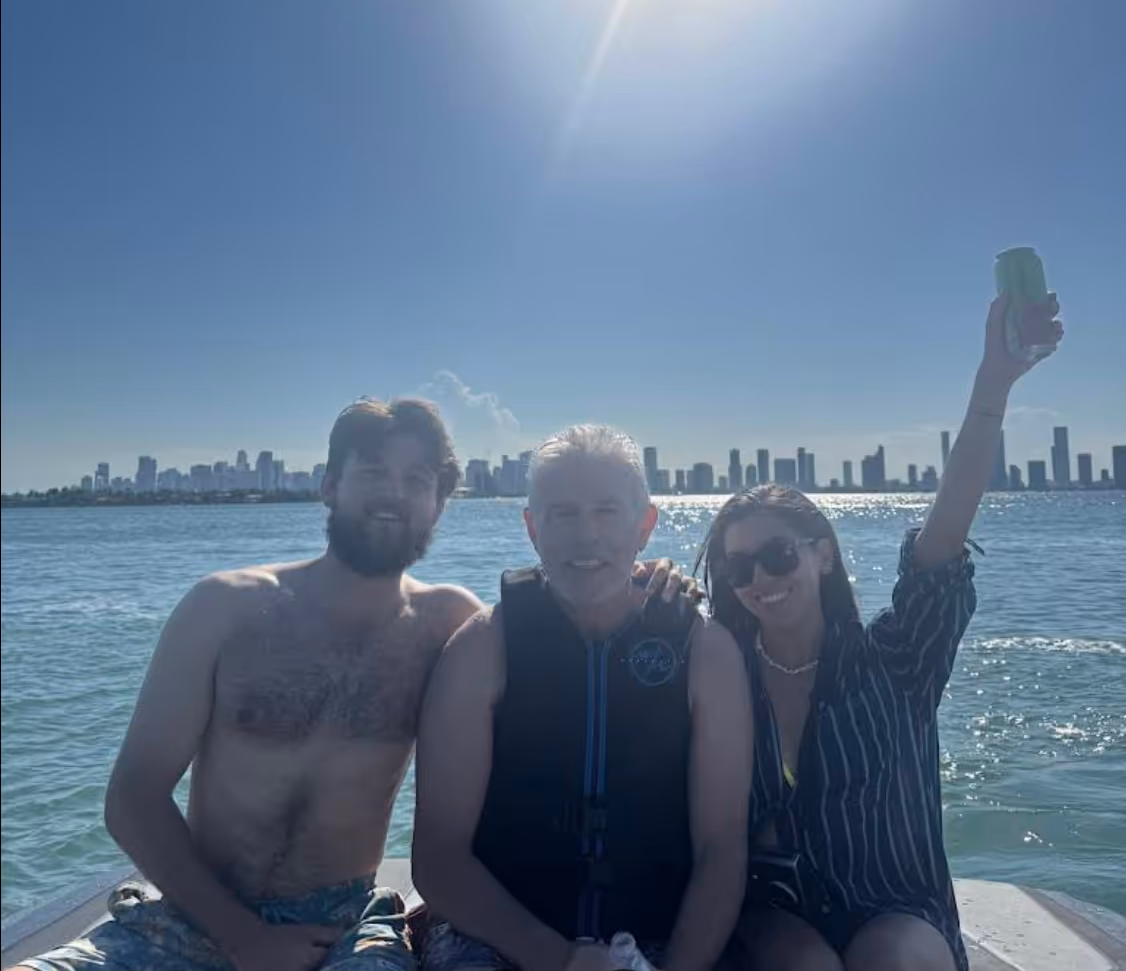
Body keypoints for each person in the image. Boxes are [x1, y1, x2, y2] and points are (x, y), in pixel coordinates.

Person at [11, 399, 692, 971]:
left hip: (344, 926)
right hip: (194, 911)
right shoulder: (224, 608)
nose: (394, 493)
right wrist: (241, 935)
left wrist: (656, 580)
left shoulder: (450, 624)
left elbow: (575, 580)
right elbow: (133, 797)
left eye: (417, 478)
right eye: (373, 472)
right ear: (330, 485)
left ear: (439, 504)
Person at [697, 293, 1063, 971]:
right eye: (738, 566)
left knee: (892, 959)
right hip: (775, 913)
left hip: (896, 908)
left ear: (822, 555)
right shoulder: (722, 678)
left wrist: (993, 383)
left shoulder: (897, 659)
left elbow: (942, 543)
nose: (760, 578)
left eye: (777, 555)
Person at [413, 425, 753, 971]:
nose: (585, 535)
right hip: (501, 940)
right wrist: (561, 959)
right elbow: (439, 857)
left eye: (607, 512)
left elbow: (721, 849)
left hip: (663, 940)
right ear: (532, 528)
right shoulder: (482, 648)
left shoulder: (705, 652)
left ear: (645, 525)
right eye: (562, 514)